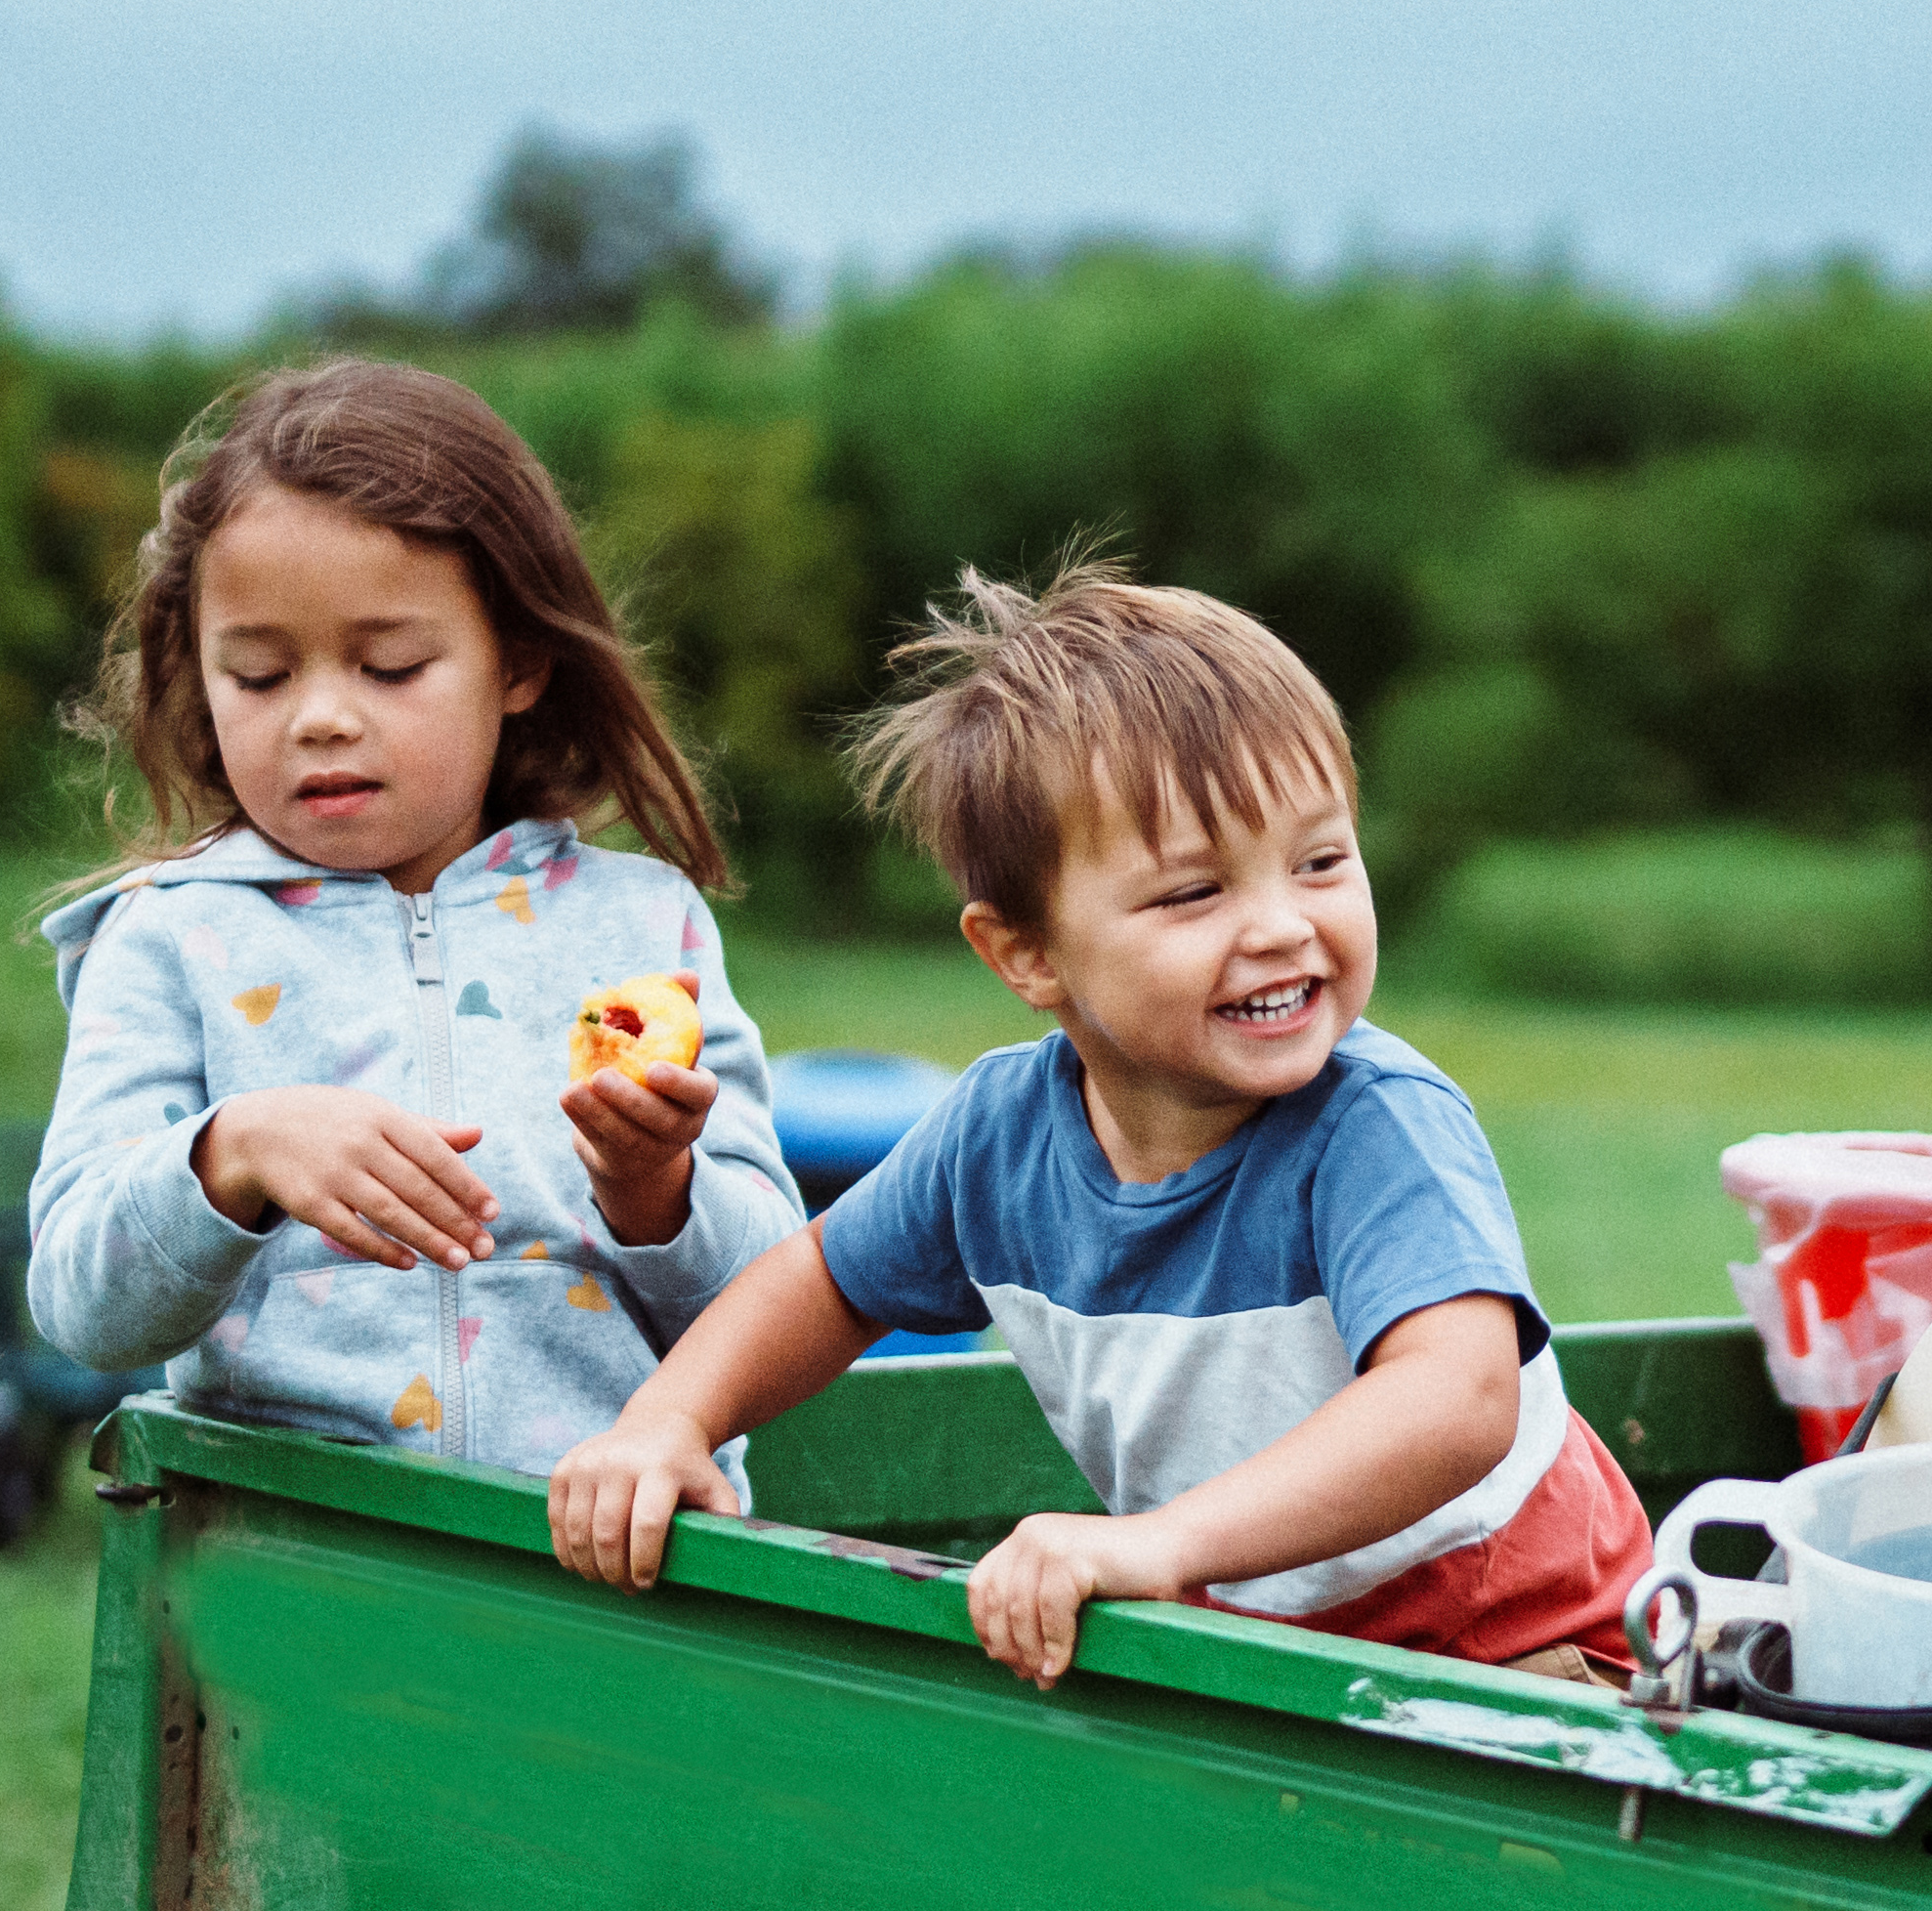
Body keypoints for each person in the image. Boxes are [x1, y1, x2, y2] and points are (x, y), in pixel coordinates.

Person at [548, 557, 1652, 1682]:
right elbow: (822, 1279)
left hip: (1527, 1655)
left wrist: (1159, 1543)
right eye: (1193, 892)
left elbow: (1460, 1397)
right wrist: (667, 1422)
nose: (1280, 927)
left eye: (1319, 861)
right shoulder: (999, 1136)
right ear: (1026, 954)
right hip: (1272, 1651)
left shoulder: (1373, 1123)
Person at [28, 359, 804, 1469]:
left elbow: (773, 1316)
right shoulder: (169, 940)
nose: (323, 719)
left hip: (609, 1587)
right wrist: (232, 1152)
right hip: (297, 1579)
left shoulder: (645, 931)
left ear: (519, 661)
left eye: (389, 665)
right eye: (256, 676)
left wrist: (656, 1195)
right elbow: (81, 1307)